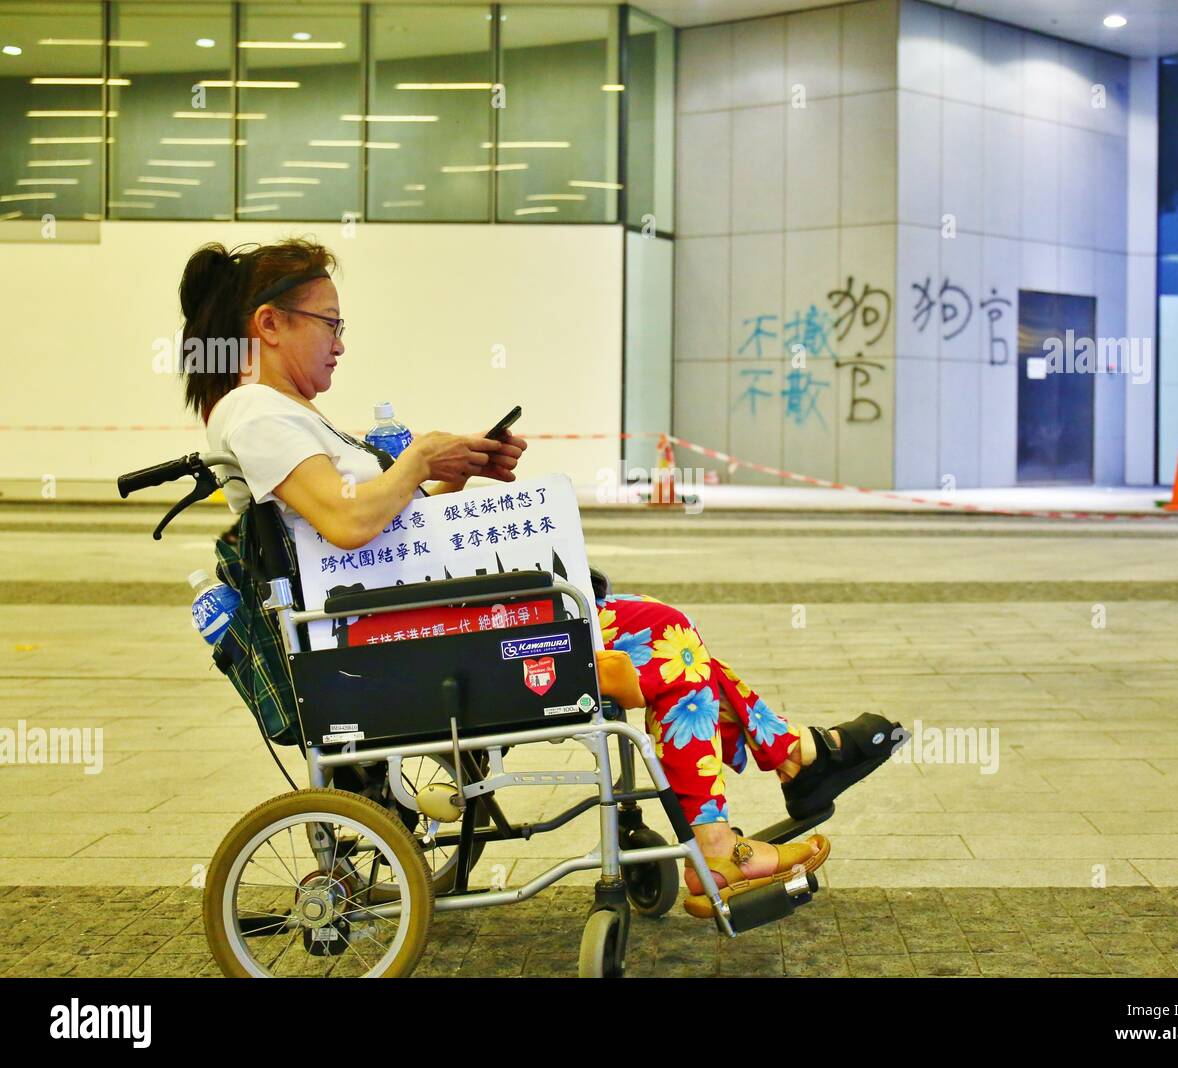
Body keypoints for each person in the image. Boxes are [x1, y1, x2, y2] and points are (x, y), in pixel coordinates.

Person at [180, 238, 896, 918]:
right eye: (329, 323)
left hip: (410, 624)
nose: (340, 341)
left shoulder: (294, 418)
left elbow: (383, 536)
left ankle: (780, 772)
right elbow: (344, 522)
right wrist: (421, 456)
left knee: (659, 637)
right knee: (666, 636)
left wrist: (454, 476)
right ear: (269, 325)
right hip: (398, 642)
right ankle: (749, 811)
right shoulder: (256, 412)